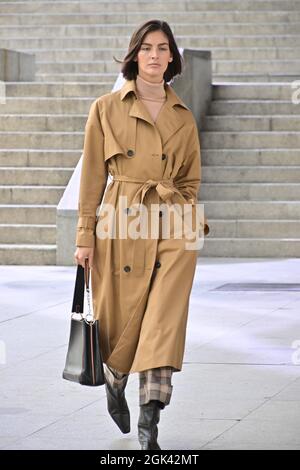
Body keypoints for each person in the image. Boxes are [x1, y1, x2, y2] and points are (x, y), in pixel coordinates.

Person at [74, 18, 209, 450]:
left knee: (163, 320)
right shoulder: (106, 108)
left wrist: (186, 217)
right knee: (121, 317)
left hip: (172, 223)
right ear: (135, 54)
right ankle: (114, 379)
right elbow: (92, 177)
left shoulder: (183, 117)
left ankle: (151, 417)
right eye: (147, 47)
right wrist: (84, 235)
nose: (154, 55)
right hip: (122, 218)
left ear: (172, 58)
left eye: (163, 48)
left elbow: (190, 179)